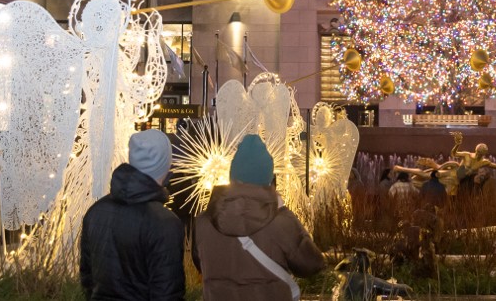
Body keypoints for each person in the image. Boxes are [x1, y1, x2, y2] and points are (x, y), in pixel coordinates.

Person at [195, 134, 324, 301]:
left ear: (232, 175)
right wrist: (284, 211)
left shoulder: (203, 222)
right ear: (268, 178)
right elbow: (311, 265)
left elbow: (201, 264)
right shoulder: (280, 222)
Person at [80, 129, 185, 301]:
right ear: (165, 164)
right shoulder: (164, 222)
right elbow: (167, 293)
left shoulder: (96, 212)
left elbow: (87, 277)